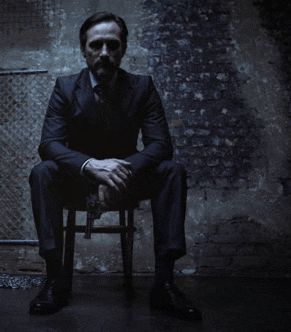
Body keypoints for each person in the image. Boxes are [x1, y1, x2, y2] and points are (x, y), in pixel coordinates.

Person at [28, 12, 202, 320]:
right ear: (84, 50)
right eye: (97, 45)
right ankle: (56, 280)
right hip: (79, 181)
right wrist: (91, 166)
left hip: (127, 179)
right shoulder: (66, 88)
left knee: (172, 171)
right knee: (42, 172)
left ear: (123, 49)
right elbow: (49, 145)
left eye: (113, 45)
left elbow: (160, 144)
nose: (104, 53)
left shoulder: (142, 87)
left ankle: (164, 284)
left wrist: (116, 175)